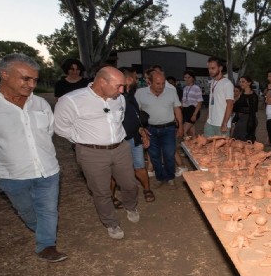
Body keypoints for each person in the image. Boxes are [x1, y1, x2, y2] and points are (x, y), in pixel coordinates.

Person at [0, 53, 67, 262]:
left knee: (48, 209)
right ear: (4, 74)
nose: (31, 84)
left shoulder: (40, 104)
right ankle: (43, 230)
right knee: (26, 211)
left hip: (48, 169)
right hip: (10, 173)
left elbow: (48, 131)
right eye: (25, 78)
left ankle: (46, 245)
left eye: (34, 79)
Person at [54, 66, 140, 240]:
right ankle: (111, 223)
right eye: (118, 86)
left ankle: (130, 206)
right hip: (91, 153)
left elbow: (120, 120)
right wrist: (84, 140)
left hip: (120, 148)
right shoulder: (71, 100)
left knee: (130, 184)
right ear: (102, 82)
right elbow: (61, 128)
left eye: (123, 86)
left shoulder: (120, 99)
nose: (122, 91)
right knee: (101, 191)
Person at [110, 67, 155, 205]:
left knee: (139, 165)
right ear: (128, 79)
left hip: (134, 137)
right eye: (135, 78)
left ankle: (147, 189)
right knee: (115, 171)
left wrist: (142, 132)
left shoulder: (131, 96)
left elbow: (136, 117)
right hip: (119, 142)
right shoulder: (114, 98)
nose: (137, 80)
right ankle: (111, 197)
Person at [136, 70, 184, 189]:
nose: (161, 86)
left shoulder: (171, 92)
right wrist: (140, 129)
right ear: (149, 82)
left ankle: (170, 177)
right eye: (157, 83)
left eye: (163, 83)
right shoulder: (140, 93)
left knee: (169, 153)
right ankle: (160, 177)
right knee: (154, 155)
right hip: (150, 130)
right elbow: (136, 113)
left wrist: (181, 127)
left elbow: (177, 110)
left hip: (168, 128)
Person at [205, 57, 234, 137]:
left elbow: (230, 105)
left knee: (222, 149)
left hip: (221, 124)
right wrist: (208, 119)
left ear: (220, 68)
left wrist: (224, 123)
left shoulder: (227, 83)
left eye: (213, 68)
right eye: (209, 68)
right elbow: (211, 103)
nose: (210, 70)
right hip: (210, 122)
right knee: (207, 148)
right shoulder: (212, 82)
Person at [232, 75, 259, 141]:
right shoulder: (242, 94)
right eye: (240, 82)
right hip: (240, 119)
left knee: (244, 141)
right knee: (236, 140)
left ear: (249, 83)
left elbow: (253, 111)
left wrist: (250, 124)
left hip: (248, 120)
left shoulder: (253, 96)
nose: (241, 83)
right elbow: (235, 108)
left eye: (243, 81)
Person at [181, 70, 203, 137]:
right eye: (185, 77)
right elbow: (183, 101)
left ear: (193, 78)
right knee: (192, 132)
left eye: (189, 77)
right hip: (185, 110)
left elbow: (200, 102)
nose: (187, 79)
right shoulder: (185, 88)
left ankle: (187, 145)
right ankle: (193, 145)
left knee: (183, 131)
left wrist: (194, 114)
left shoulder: (196, 88)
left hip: (193, 110)